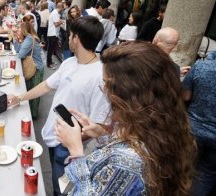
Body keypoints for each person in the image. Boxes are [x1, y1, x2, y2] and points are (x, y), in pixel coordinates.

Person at [56, 41, 196, 195]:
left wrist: (75, 150)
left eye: (106, 84)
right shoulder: (164, 125)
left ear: (127, 93)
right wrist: (101, 134)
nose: (104, 91)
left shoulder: (128, 160)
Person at [9, 16, 110, 195]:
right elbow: (47, 85)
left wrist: (72, 140)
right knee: (57, 181)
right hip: (52, 134)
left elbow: (99, 123)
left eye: (70, 35)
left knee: (61, 189)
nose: (67, 38)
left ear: (76, 39)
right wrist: (20, 97)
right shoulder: (69, 62)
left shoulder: (100, 75)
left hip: (68, 144)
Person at [183, 56, 216, 195]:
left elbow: (185, 96)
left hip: (193, 129)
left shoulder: (202, 67)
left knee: (181, 168)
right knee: (206, 175)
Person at [12, 21, 44, 119]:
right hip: (33, 68)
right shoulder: (27, 38)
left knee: (34, 93)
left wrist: (19, 40)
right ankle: (29, 114)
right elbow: (18, 50)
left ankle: (33, 116)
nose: (18, 30)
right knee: (29, 91)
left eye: (19, 29)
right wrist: (17, 39)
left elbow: (20, 55)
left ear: (24, 30)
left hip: (36, 68)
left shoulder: (30, 39)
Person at [47, 3, 64, 69]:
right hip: (52, 33)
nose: (63, 9)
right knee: (50, 49)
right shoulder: (55, 13)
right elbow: (56, 24)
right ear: (61, 7)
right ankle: (49, 64)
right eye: (62, 8)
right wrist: (62, 21)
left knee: (51, 49)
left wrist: (60, 21)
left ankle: (50, 61)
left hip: (53, 33)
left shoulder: (55, 13)